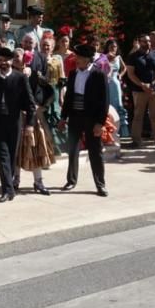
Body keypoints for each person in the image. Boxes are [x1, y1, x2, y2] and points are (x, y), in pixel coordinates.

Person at [0, 47, 36, 202]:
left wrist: (30, 124)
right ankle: (7, 190)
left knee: (12, 156)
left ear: (11, 61)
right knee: (3, 155)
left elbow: (30, 103)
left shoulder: (20, 78)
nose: (3, 63)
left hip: (14, 122)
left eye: (5, 60)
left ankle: (9, 186)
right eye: (0, 60)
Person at [59, 44, 110, 196]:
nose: (77, 60)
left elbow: (104, 101)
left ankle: (100, 184)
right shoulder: (73, 74)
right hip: (75, 117)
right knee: (72, 150)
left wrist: (100, 123)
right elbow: (69, 98)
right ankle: (71, 180)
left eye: (80, 57)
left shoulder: (98, 75)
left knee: (95, 151)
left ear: (88, 59)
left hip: (92, 119)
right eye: (76, 57)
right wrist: (63, 117)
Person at [15, 48, 54, 195]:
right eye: (14, 57)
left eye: (18, 56)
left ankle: (38, 182)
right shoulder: (8, 74)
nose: (16, 59)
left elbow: (50, 90)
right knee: (17, 150)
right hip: (16, 117)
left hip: (32, 117)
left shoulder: (34, 74)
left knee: (35, 149)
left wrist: (43, 106)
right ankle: (15, 180)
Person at [126, 32, 155, 150]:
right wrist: (142, 85)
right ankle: (136, 141)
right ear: (139, 43)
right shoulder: (133, 56)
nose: (148, 43)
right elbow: (130, 73)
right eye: (145, 41)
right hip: (139, 91)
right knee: (138, 116)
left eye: (149, 41)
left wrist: (153, 84)